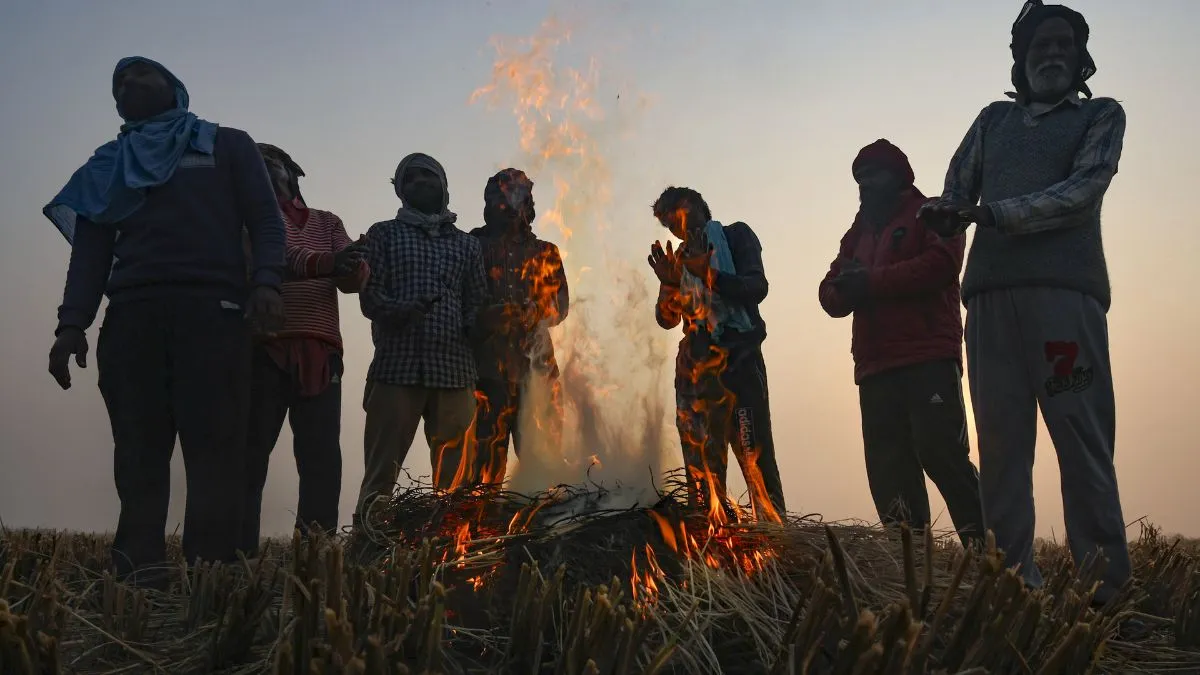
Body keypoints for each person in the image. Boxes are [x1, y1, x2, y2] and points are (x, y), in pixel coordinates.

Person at [919, 1, 1132, 606]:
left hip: (1065, 299)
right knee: (1002, 451)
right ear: (1020, 58)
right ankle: (1011, 590)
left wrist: (992, 214)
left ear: (1082, 56)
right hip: (988, 303)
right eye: (1040, 46)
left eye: (1064, 44)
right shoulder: (992, 121)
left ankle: (1103, 594)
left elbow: (1082, 192)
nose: (1052, 54)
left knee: (1082, 441)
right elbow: (958, 186)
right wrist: (942, 211)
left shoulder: (1102, 116)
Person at [44, 56, 286, 585]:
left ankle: (211, 572)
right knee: (137, 448)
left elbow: (266, 221)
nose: (128, 83)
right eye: (118, 82)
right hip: (131, 316)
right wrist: (70, 325)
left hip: (215, 314)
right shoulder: (108, 164)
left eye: (140, 74)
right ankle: (139, 566)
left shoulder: (226, 144)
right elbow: (89, 252)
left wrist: (267, 281)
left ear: (175, 87)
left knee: (216, 448)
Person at [818, 139, 984, 549]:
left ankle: (989, 554)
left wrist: (870, 283)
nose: (865, 184)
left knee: (942, 454)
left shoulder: (931, 214)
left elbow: (942, 266)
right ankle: (912, 565)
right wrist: (844, 290)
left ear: (899, 177)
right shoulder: (856, 235)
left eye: (874, 175)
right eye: (860, 178)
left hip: (927, 357)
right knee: (888, 470)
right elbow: (828, 292)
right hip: (875, 367)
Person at [240, 143, 370, 555]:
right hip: (264, 347)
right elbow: (276, 256)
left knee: (321, 458)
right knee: (250, 453)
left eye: (273, 161)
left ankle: (314, 554)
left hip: (321, 349)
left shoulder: (327, 220)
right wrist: (333, 263)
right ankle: (238, 552)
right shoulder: (248, 218)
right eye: (257, 162)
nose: (265, 166)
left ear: (292, 174)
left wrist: (356, 262)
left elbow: (353, 277)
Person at [355, 153, 488, 525]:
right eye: (409, 179)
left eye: (428, 176)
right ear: (400, 192)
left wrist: (479, 323)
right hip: (396, 369)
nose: (420, 183)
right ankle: (368, 551)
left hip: (455, 372)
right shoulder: (382, 234)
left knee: (455, 486)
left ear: (444, 186)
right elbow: (370, 296)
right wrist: (402, 310)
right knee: (380, 476)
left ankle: (451, 556)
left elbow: (476, 300)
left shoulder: (467, 245)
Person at [647, 186, 785, 523]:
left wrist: (708, 274)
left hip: (738, 360)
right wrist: (668, 284)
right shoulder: (678, 259)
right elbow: (667, 320)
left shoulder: (735, 235)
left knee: (755, 456)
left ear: (694, 206)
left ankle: (778, 539)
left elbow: (757, 287)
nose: (676, 228)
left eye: (676, 216)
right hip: (694, 373)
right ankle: (714, 541)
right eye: (668, 225)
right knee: (701, 468)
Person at [469, 168, 569, 485]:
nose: (507, 203)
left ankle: (543, 529)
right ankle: (479, 531)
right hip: (485, 374)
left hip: (538, 371)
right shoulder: (472, 245)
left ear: (528, 203)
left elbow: (561, 306)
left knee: (545, 466)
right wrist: (491, 314)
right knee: (482, 475)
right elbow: (460, 302)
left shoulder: (546, 252)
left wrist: (534, 311)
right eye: (499, 195)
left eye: (515, 195)